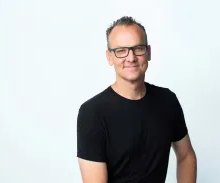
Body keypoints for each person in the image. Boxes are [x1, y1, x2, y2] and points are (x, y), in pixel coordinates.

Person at [76, 16, 197, 183]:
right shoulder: (92, 113)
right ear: (109, 57)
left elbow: (186, 155)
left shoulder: (167, 101)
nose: (131, 57)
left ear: (148, 52)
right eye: (121, 51)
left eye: (138, 48)